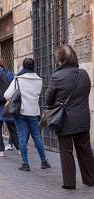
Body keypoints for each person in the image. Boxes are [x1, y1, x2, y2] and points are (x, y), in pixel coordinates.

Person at [45, 44, 94, 189]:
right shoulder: (84, 74)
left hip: (64, 120)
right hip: (82, 118)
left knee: (66, 152)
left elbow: (48, 100)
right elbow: (85, 92)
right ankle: (91, 179)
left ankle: (69, 183)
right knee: (85, 150)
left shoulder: (56, 76)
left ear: (61, 59)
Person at [4, 58, 51, 171]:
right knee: (37, 136)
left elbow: (6, 95)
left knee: (22, 136)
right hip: (33, 111)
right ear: (33, 66)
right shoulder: (39, 79)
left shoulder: (18, 79)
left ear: (24, 67)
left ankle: (25, 163)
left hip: (20, 111)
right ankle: (43, 161)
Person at [0, 57, 19, 157]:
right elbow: (14, 89)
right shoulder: (9, 74)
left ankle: (1, 151)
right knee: (13, 129)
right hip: (7, 104)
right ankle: (19, 148)